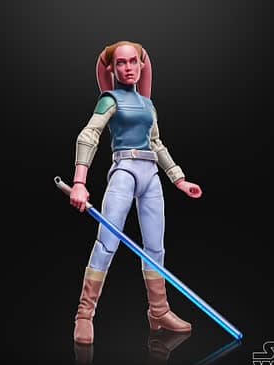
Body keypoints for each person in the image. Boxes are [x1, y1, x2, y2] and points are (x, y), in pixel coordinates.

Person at [69, 41, 202, 344]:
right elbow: (89, 135)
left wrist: (179, 179)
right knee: (107, 242)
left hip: (151, 174)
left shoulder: (148, 105)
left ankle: (159, 311)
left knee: (155, 248)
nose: (128, 68)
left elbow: (155, 143)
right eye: (121, 63)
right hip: (124, 170)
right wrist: (79, 182)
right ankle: (84, 314)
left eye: (133, 61)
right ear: (112, 68)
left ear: (142, 65)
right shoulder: (110, 99)